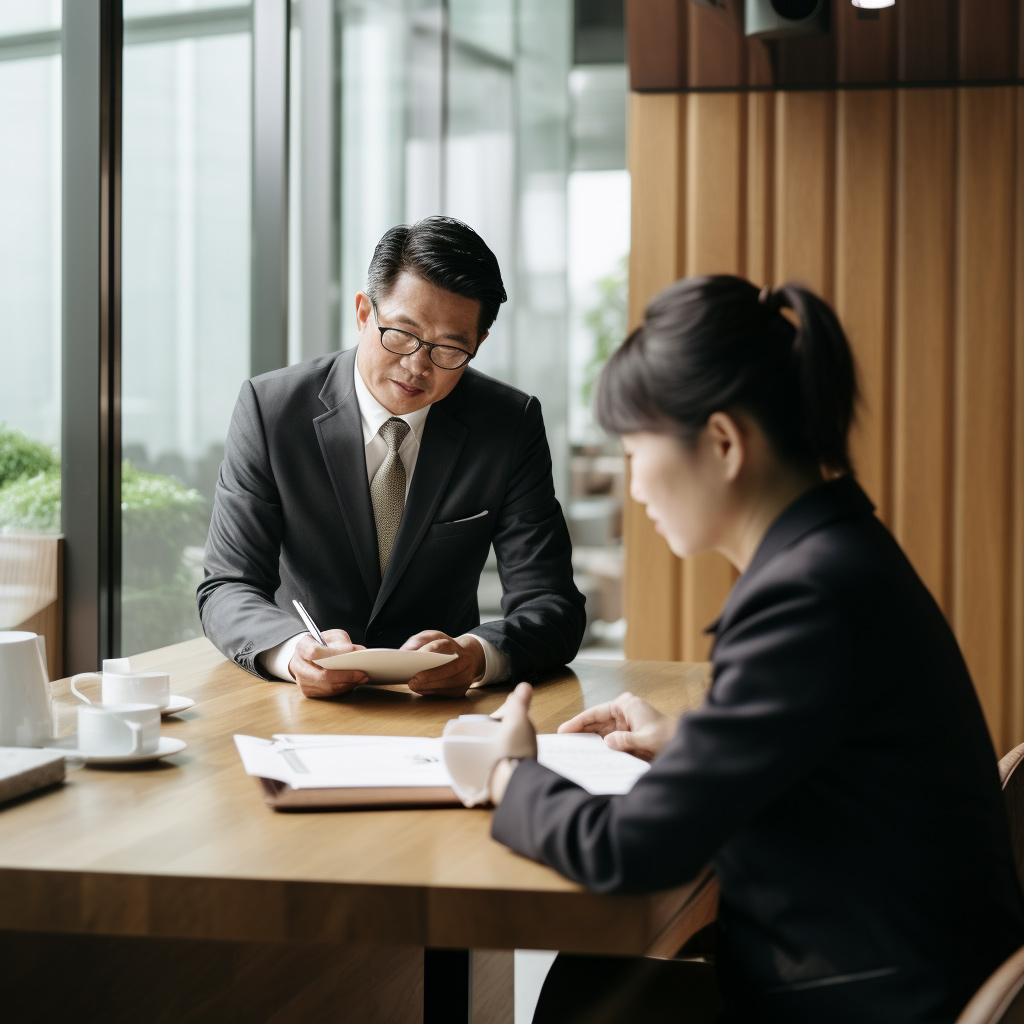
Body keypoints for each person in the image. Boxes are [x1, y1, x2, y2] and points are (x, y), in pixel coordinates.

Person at [474, 275, 1024, 1023]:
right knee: (589, 986)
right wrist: (691, 741)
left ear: (724, 443)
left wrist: (510, 774)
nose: (634, 487)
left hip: (868, 1000)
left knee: (587, 998)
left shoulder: (805, 595)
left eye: (637, 451)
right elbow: (835, 750)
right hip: (902, 972)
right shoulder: (840, 553)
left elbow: (630, 851)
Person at [198, 216, 585, 698]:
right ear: (364, 313)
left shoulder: (508, 424)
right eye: (401, 334)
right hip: (298, 701)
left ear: (478, 345)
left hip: (442, 706)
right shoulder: (272, 409)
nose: (417, 365)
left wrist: (477, 653)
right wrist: (293, 652)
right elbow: (227, 586)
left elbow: (552, 605)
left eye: (449, 348)